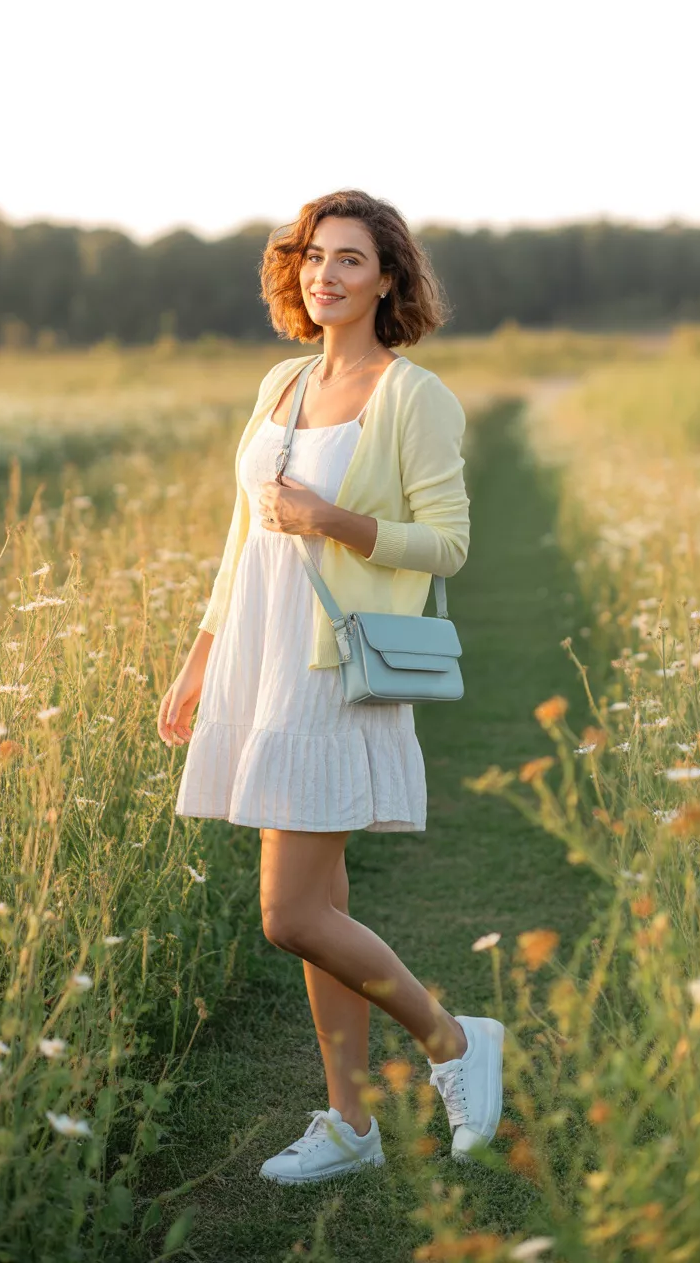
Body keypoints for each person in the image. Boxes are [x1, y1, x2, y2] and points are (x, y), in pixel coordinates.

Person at [158, 188, 504, 1185]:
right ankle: (351, 1127)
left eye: (350, 258)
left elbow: (449, 542)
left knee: (289, 914)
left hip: (332, 660)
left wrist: (336, 523)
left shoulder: (413, 394)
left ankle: (453, 1041)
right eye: (314, 256)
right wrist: (201, 655)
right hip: (259, 656)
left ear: (388, 278)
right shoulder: (280, 382)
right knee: (318, 905)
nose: (327, 274)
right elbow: (243, 538)